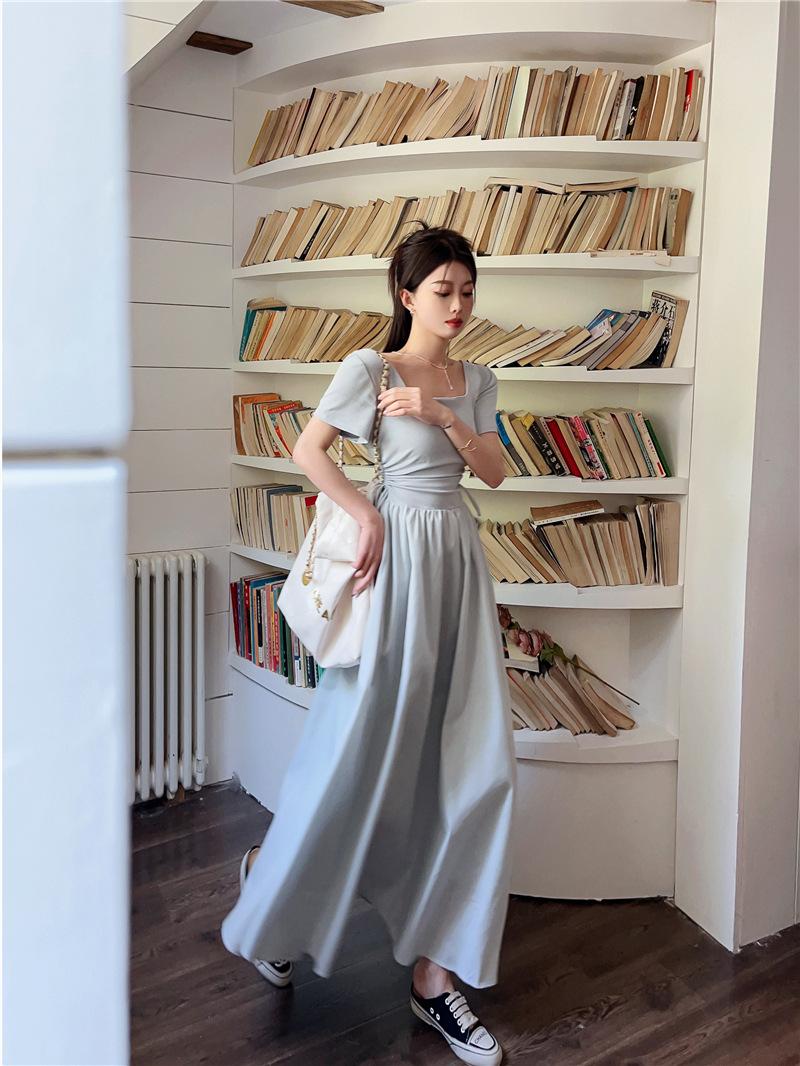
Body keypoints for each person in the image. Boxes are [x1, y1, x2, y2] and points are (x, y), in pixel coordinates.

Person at [221, 222, 517, 1066]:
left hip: (457, 567)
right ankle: (272, 889)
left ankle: (435, 975)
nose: (457, 306)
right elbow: (309, 450)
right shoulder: (369, 368)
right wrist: (363, 512)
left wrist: (441, 415)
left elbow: (494, 472)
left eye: (467, 291)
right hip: (393, 572)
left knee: (477, 767)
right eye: (442, 291)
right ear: (407, 294)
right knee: (352, 759)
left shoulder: (477, 379)